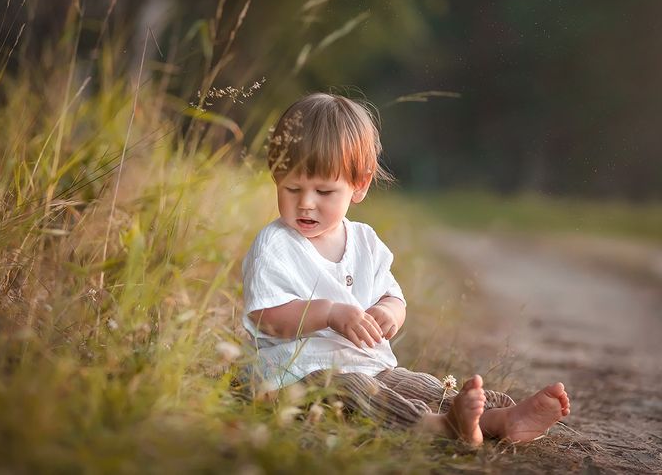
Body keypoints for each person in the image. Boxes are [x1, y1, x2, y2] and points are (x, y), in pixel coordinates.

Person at [242, 93, 571, 445]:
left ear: (360, 185)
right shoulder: (276, 245)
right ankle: (438, 427)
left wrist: (388, 313)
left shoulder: (365, 242)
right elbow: (267, 318)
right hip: (297, 375)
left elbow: (392, 296)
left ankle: (499, 418)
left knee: (416, 384)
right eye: (292, 188)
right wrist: (329, 313)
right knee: (357, 393)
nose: (306, 203)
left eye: (323, 191)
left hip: (371, 364)